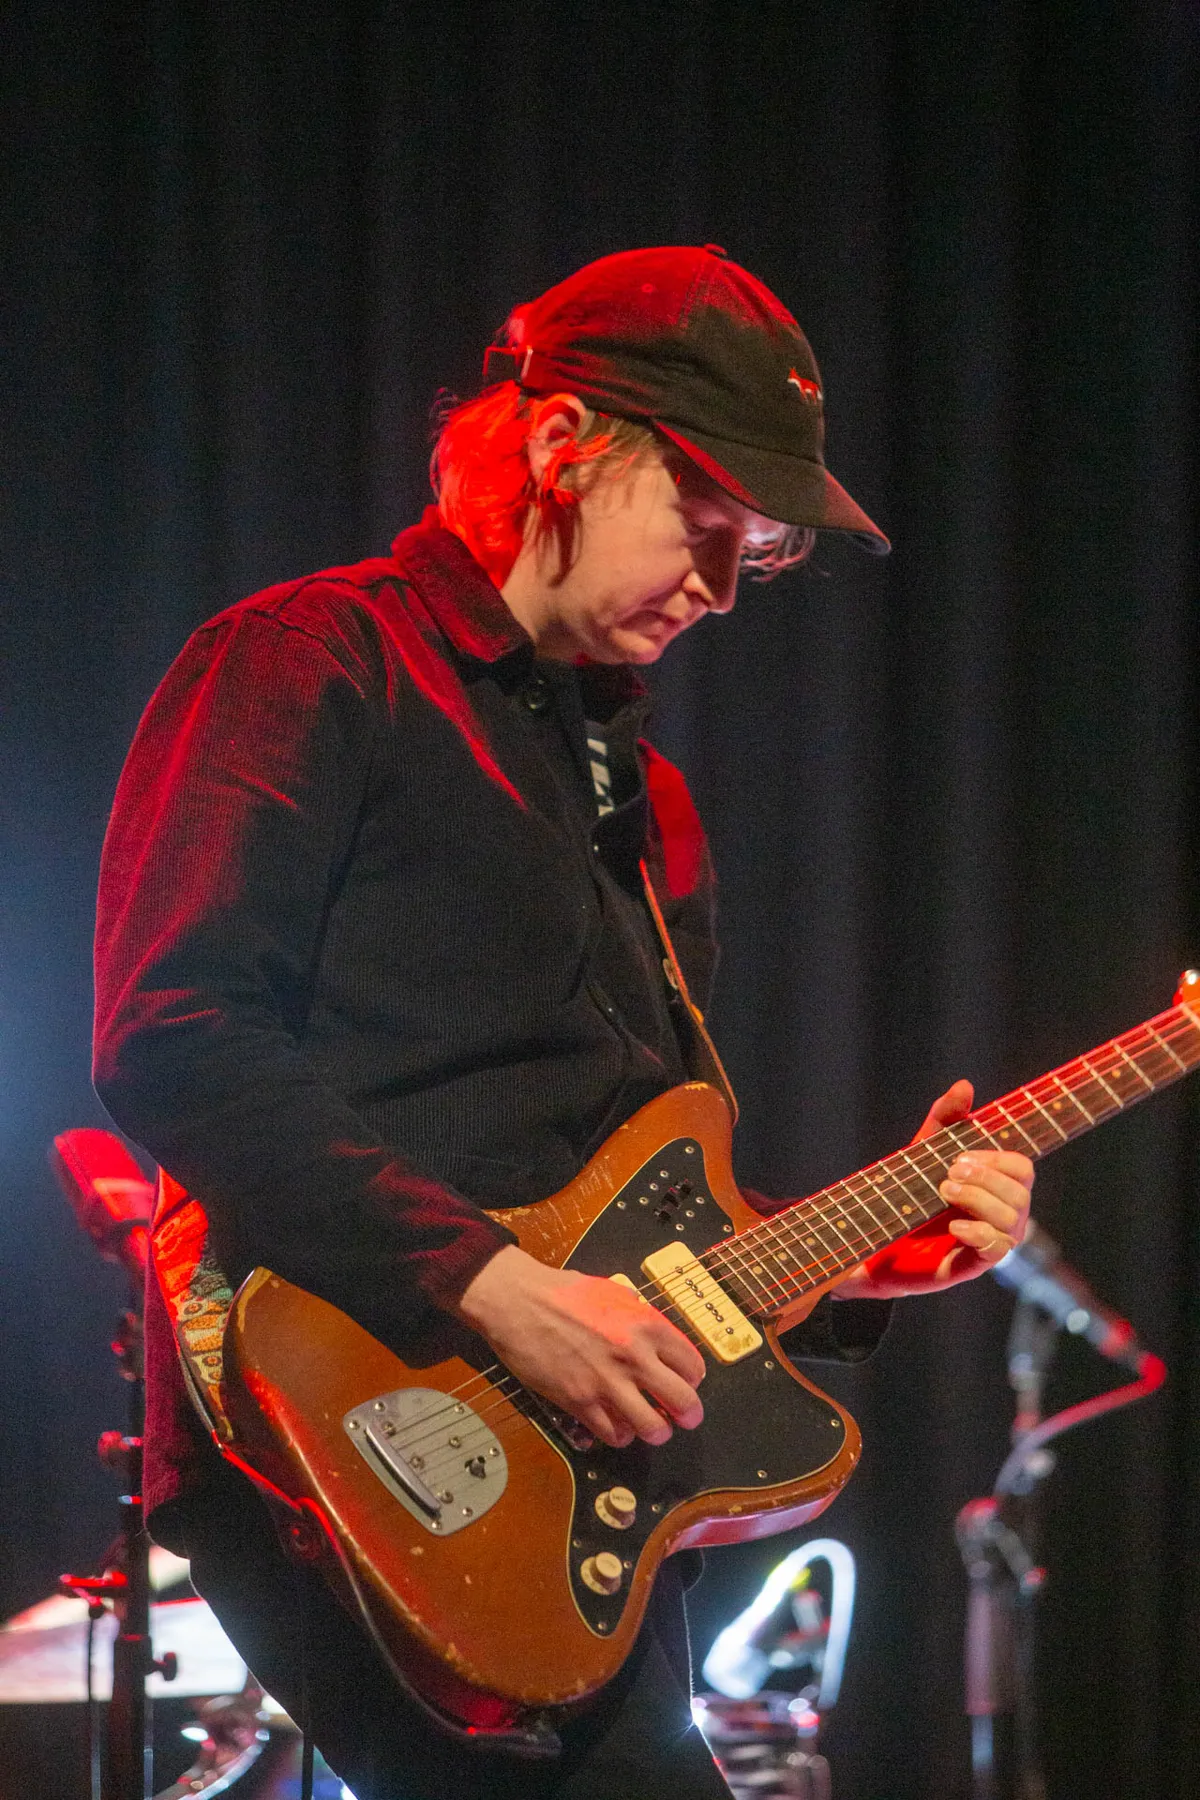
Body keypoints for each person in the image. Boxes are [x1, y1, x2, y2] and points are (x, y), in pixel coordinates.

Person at [92, 245, 1033, 1799]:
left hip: (574, 1480)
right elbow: (174, 1033)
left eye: (755, 555)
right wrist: (492, 1288)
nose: (722, 587)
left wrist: (855, 1260)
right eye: (704, 527)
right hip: (348, 1420)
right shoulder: (315, 659)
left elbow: (625, 1216)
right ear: (563, 445)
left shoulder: (649, 802)